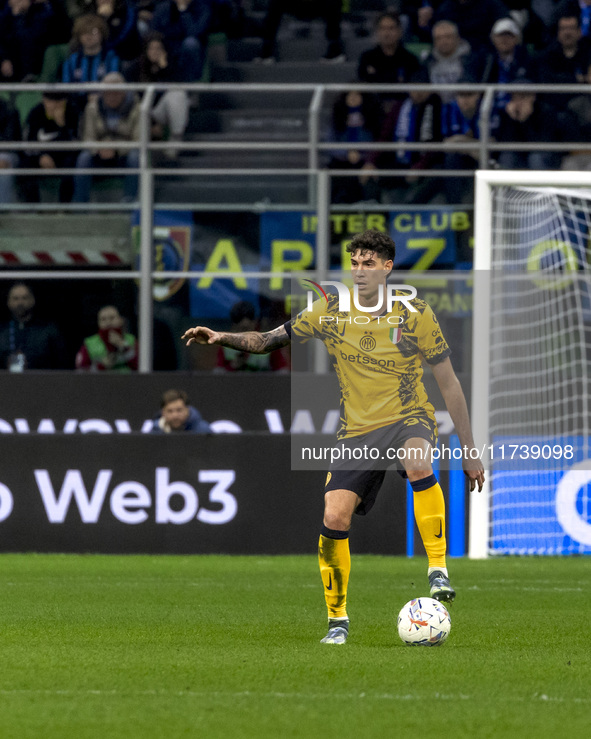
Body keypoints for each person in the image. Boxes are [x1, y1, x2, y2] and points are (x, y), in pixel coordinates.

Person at [182, 229, 485, 645]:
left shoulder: (415, 314)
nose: (359, 271)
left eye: (369, 264)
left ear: (387, 267)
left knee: (418, 461)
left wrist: (470, 452)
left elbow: (449, 384)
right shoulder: (329, 310)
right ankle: (337, 621)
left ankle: (437, 570)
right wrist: (220, 337)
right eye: (354, 263)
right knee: (334, 516)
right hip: (356, 431)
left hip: (408, 416)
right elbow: (269, 340)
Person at [73, 71, 140, 202]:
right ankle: (80, 206)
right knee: (84, 158)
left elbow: (139, 140)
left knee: (135, 158)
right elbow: (88, 138)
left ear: (124, 93)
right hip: (100, 153)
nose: (112, 97)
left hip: (123, 155)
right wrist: (99, 149)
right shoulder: (92, 108)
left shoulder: (137, 108)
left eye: (116, 93)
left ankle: (129, 204)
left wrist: (116, 150)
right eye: (108, 93)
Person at [124, 31, 190, 159]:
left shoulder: (172, 66)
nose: (155, 51)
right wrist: (152, 123)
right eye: (151, 48)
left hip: (162, 112)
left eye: (158, 48)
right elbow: (131, 97)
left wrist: (164, 68)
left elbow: (181, 87)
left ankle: (176, 138)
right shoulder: (134, 68)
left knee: (177, 94)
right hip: (140, 112)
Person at [495, 85, 579, 170]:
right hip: (520, 154)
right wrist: (514, 120)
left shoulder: (546, 112)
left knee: (535, 158)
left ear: (532, 97)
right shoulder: (508, 114)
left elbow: (542, 144)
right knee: (507, 157)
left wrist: (526, 120)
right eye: (515, 97)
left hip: (546, 156)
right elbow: (507, 143)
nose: (519, 102)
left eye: (523, 97)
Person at [21, 91, 81, 204]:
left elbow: (76, 145)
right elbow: (27, 143)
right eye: (50, 101)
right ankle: (33, 209)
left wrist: (62, 126)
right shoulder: (36, 112)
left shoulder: (72, 112)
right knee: (25, 166)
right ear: (44, 100)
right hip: (40, 156)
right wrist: (41, 156)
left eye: (59, 102)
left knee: (72, 164)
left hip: (63, 156)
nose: (54, 105)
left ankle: (64, 208)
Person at [326, 88, 381, 204]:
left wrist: (361, 155)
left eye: (357, 95)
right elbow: (329, 143)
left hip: (365, 161)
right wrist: (347, 153)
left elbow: (377, 141)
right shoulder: (338, 116)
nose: (353, 98)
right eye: (350, 95)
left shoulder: (372, 117)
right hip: (341, 161)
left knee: (367, 174)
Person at [357, 11, 421, 112]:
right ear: (377, 32)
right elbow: (364, 85)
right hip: (373, 109)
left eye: (391, 28)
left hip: (403, 110)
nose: (386, 33)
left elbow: (413, 89)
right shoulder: (367, 58)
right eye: (382, 28)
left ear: (400, 31)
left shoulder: (410, 59)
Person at [0, 282, 67, 370]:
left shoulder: (47, 331)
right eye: (15, 299)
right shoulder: (2, 331)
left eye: (24, 298)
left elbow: (61, 364)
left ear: (32, 300)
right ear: (8, 302)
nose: (20, 302)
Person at [255, 0, 345, 63]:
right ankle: (266, 51)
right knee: (275, 2)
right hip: (297, 5)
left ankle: (335, 49)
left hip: (319, 4)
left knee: (334, 2)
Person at [215, 300, 290, 371]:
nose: (243, 334)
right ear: (233, 326)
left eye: (246, 329)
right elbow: (218, 376)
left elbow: (282, 372)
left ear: (255, 323)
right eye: (239, 330)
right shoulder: (226, 347)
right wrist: (232, 366)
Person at [150, 0, 212, 82]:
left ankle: (191, 82)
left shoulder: (203, 9)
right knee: (154, 45)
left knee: (191, 43)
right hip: (166, 45)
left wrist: (183, 11)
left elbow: (194, 32)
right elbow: (154, 31)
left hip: (187, 50)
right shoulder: (163, 8)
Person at [75, 304, 138, 371]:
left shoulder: (131, 340)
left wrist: (124, 347)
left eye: (112, 318)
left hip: (127, 381)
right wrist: (102, 366)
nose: (108, 322)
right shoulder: (89, 344)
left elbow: (142, 367)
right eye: (103, 319)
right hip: (100, 381)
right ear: (98, 323)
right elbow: (80, 373)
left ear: (121, 320)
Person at [61, 13, 121, 84]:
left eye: (93, 32)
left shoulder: (111, 57)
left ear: (102, 33)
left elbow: (115, 84)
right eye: (84, 32)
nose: (88, 36)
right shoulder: (72, 60)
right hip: (77, 95)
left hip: (104, 94)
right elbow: (66, 86)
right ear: (79, 36)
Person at [421, 20, 471, 103]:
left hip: (461, 107)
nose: (443, 41)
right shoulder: (428, 61)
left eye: (448, 37)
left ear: (458, 38)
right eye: (438, 38)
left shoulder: (470, 59)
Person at [0, 97, 20, 205]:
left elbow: (9, 141)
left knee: (2, 163)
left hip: (6, 153)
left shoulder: (8, 109)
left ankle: (2, 213)